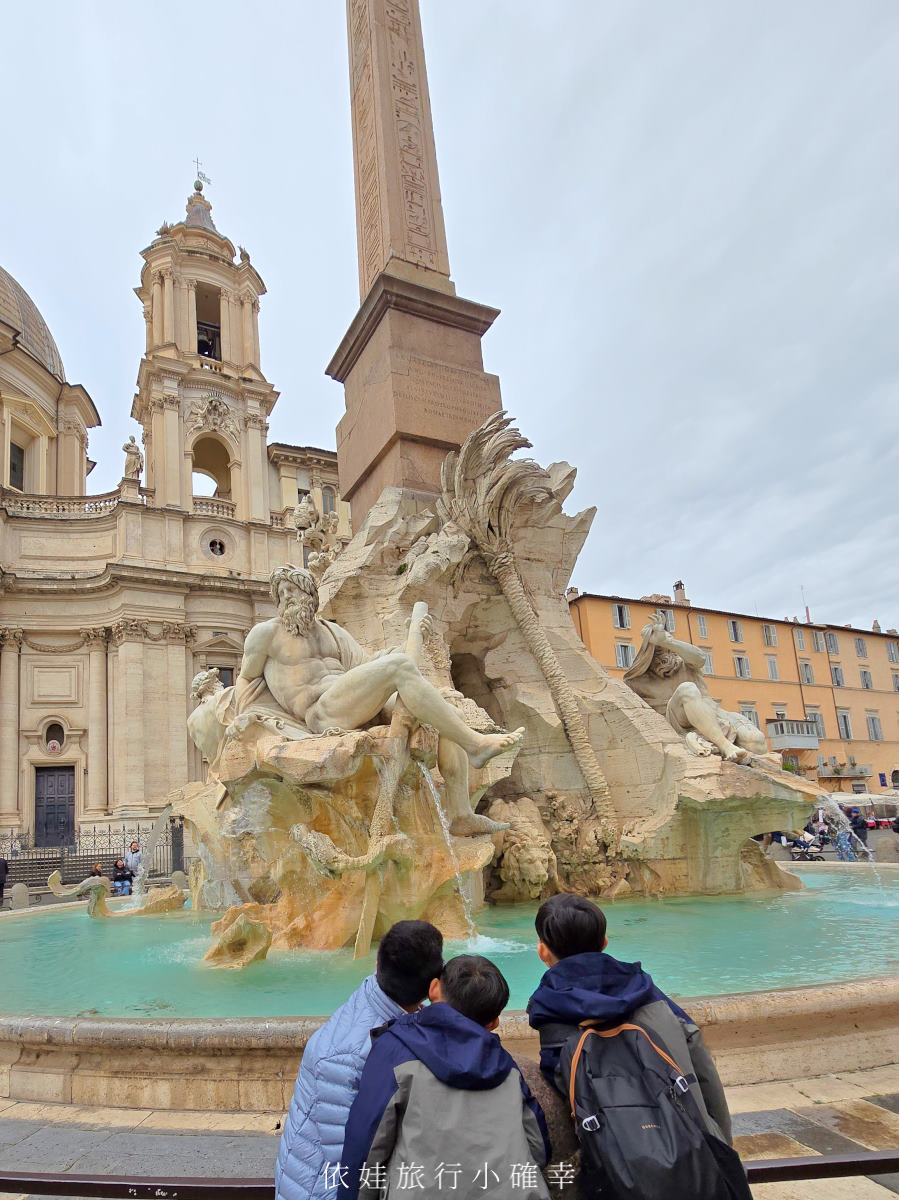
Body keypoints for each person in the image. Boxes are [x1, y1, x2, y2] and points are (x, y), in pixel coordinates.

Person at [224, 566, 520, 836]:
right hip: (321, 712)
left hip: (351, 701)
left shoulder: (333, 632)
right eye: (281, 593)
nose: (287, 597)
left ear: (310, 594)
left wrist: (413, 635)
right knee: (400, 666)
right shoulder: (265, 634)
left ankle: (460, 814)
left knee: (443, 711)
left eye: (293, 589)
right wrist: (244, 714)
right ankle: (476, 746)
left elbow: (369, 666)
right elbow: (247, 678)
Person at [527, 894, 733, 1149]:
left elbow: (562, 1096)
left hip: (619, 1162)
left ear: (542, 950)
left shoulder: (549, 1009)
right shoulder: (646, 990)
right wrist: (722, 1145)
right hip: (692, 1145)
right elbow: (701, 1065)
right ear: (604, 942)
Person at [340, 954, 551, 1199]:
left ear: (433, 989)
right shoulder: (507, 1068)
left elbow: (366, 1144)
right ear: (493, 1022)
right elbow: (538, 1147)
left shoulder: (395, 1052)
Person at [275, 920, 445, 1200]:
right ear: (433, 986)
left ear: (378, 964)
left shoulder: (385, 999)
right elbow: (347, 1162)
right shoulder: (344, 1057)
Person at [622, 610, 769, 763]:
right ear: (647, 654)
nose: (664, 653)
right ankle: (724, 745)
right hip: (677, 720)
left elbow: (700, 657)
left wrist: (667, 641)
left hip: (713, 712)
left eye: (666, 648)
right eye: (657, 649)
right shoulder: (637, 682)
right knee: (687, 689)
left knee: (756, 742)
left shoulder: (687, 664)